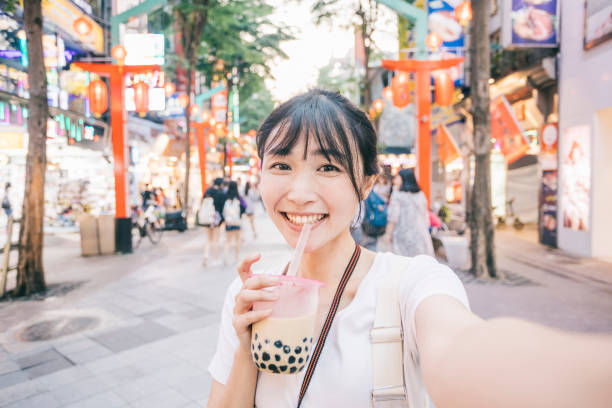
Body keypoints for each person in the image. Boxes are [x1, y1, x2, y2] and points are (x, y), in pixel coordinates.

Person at [207, 89, 612, 408]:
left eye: (328, 167)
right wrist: (245, 344)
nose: (299, 193)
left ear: (366, 183)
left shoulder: (410, 284)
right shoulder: (251, 295)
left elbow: (462, 348)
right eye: (281, 166)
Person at [384, 168, 434, 257]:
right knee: (420, 264)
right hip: (420, 234)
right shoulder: (420, 195)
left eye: (397, 177)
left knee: (404, 264)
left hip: (402, 235)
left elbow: (393, 217)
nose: (395, 180)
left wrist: (388, 234)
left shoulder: (397, 195)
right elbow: (425, 216)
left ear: (404, 179)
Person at [202, 178, 226, 266]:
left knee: (208, 239)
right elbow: (222, 208)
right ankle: (215, 259)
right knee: (216, 239)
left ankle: (206, 256)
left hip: (206, 218)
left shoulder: (207, 191)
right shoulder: (220, 193)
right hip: (215, 219)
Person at [222, 180, 245, 264]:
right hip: (237, 221)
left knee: (228, 241)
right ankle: (237, 256)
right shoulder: (238, 197)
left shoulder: (225, 196)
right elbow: (244, 207)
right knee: (237, 240)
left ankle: (225, 256)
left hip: (228, 222)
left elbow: (222, 210)